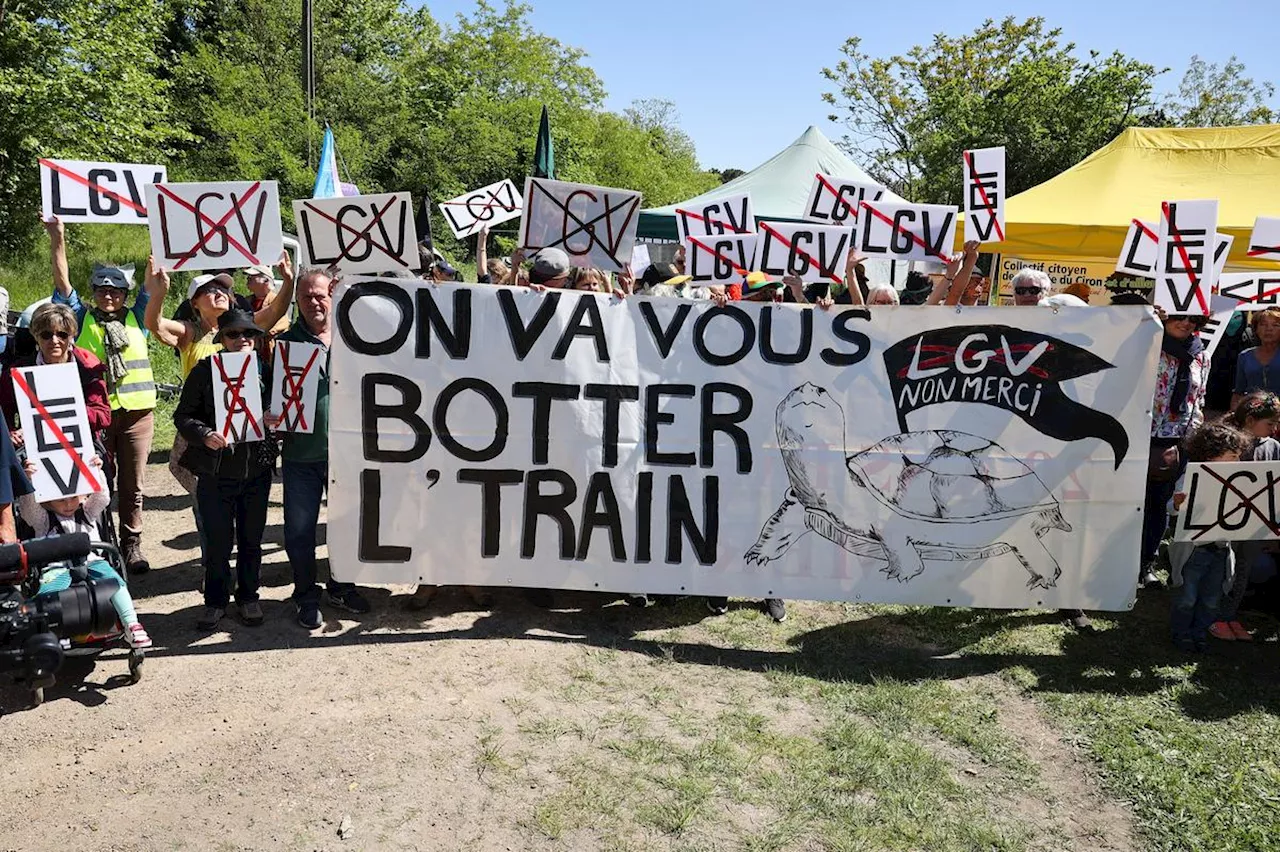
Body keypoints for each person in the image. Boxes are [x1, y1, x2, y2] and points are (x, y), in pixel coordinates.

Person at [45, 216, 157, 574]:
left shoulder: (139, 315)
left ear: (126, 294)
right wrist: (57, 237)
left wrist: (163, 228)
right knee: (96, 481)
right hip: (94, 415)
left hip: (138, 413)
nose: (108, 296)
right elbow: (62, 284)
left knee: (132, 484)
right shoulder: (78, 317)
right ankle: (98, 541)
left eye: (116, 291)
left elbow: (156, 279)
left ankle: (132, 545)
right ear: (93, 293)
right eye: (101, 290)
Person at [266, 269, 373, 629]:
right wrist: (271, 414)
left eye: (321, 295)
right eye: (307, 296)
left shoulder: (354, 336)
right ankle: (305, 595)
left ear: (333, 295)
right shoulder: (285, 343)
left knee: (345, 527)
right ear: (297, 300)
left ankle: (341, 587)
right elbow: (271, 394)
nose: (314, 302)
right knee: (299, 531)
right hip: (301, 455)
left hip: (345, 456)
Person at [172, 309, 275, 631]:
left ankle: (248, 597)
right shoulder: (205, 370)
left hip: (256, 472)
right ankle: (215, 602)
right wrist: (204, 434)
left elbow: (284, 409)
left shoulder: (267, 370)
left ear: (256, 339)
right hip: (215, 474)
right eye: (233, 334)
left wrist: (275, 419)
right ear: (222, 339)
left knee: (251, 540)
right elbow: (183, 416)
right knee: (217, 543)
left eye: (249, 334)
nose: (242, 339)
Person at [17, 455, 151, 649]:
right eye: (61, 500)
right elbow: (29, 510)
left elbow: (102, 497)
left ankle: (132, 623)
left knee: (115, 582)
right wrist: (29, 482)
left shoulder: (88, 512)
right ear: (47, 499)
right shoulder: (43, 520)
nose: (68, 504)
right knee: (47, 595)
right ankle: (53, 632)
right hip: (58, 567)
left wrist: (96, 472)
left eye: (73, 497)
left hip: (91, 561)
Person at [1166, 422, 1251, 652]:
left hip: (1221, 549)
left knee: (1212, 599)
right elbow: (1171, 508)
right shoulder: (1192, 475)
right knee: (1187, 597)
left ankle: (1200, 633)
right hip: (1194, 550)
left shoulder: (1239, 479)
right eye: (1232, 456)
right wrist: (1177, 503)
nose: (1237, 461)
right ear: (1212, 454)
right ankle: (1181, 633)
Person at [1142, 311, 1211, 588]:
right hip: (1140, 436)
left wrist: (1192, 440)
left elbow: (1199, 397)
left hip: (1177, 442)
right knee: (1132, 504)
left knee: (1160, 505)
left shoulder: (1201, 354)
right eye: (1179, 317)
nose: (1186, 323)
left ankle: (1146, 563)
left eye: (1193, 320)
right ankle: (1118, 562)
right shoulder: (1146, 345)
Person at [1210, 392, 1280, 642]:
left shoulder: (1273, 448)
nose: (1275, 429)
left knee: (1243, 568)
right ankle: (1213, 615)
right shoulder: (1232, 443)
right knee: (1222, 567)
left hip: (1254, 522)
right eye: (1270, 424)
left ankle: (1230, 614)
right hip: (1226, 520)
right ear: (1250, 419)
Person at [0, 303, 111, 442]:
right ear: (35, 335)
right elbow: (4, 414)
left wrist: (62, 414)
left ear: (72, 336)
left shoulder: (87, 367)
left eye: (62, 334)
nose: (54, 341)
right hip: (36, 450)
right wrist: (11, 433)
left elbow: (103, 416)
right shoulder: (17, 373)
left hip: (83, 445)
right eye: (46, 335)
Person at [1231, 307, 1280, 411]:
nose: (1268, 329)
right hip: (1252, 415)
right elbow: (1238, 392)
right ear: (1256, 329)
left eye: (1275, 325)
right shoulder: (1245, 356)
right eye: (1263, 325)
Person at [244, 264, 291, 356]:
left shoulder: (276, 301)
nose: (248, 278)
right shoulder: (246, 301)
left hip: (270, 352)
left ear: (266, 281)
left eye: (252, 276)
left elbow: (281, 324)